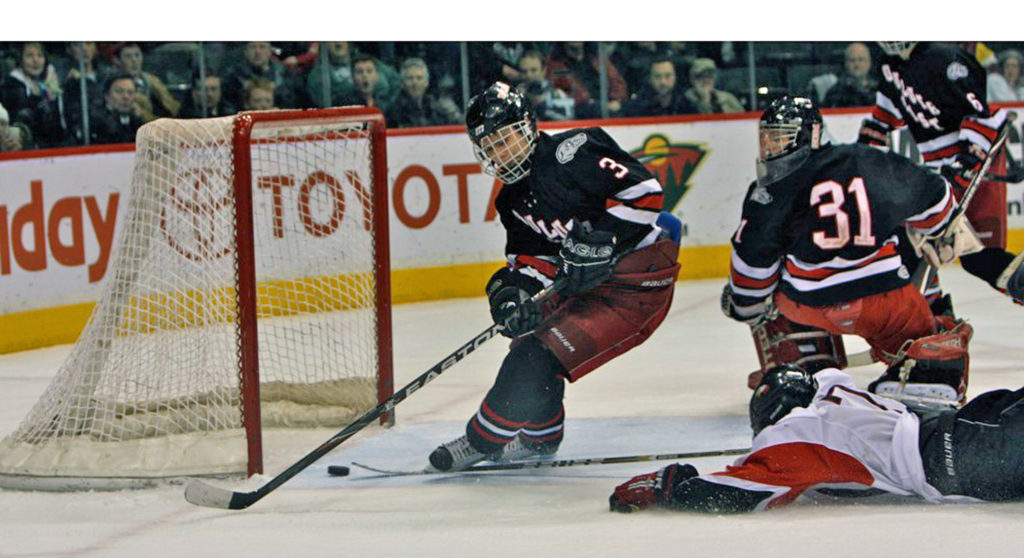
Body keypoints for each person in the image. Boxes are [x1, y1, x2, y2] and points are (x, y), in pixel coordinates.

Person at [428, 82, 681, 471]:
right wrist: (515, 295)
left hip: (634, 284)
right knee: (528, 340)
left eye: (505, 139)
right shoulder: (510, 200)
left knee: (537, 357)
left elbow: (646, 192)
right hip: (589, 285)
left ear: (528, 126)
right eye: (490, 146)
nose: (500, 153)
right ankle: (540, 439)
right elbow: (534, 259)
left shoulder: (573, 151)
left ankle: (482, 441)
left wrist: (603, 240)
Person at [722, 96, 973, 407]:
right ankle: (927, 372)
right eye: (769, 141)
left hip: (807, 306)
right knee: (925, 329)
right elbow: (937, 200)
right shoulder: (867, 160)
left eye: (782, 138)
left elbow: (750, 280)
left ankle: (804, 366)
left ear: (812, 135)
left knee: (761, 301)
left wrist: (744, 306)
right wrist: (938, 230)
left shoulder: (768, 191)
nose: (773, 150)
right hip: (886, 302)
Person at [609, 364, 1024, 514]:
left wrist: (672, 486)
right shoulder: (833, 388)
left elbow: (735, 493)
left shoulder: (799, 432)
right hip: (962, 433)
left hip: (958, 458)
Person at [857, 42, 1024, 307]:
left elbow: (984, 117)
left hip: (975, 166)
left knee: (972, 255)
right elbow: (882, 120)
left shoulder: (946, 59)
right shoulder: (891, 66)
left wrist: (966, 161)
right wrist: (859, 159)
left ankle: (934, 319)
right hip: (941, 172)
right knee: (927, 248)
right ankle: (935, 319)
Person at [1, 42, 65, 148]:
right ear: (20, 60)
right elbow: (25, 120)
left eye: (40, 55)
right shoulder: (12, 84)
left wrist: (53, 96)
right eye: (29, 55)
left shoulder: (50, 84)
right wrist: (37, 97)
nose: (35, 60)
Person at [307, 42, 401, 109]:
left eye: (369, 71)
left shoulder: (367, 61)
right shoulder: (320, 73)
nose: (337, 42)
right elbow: (324, 102)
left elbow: (396, 82)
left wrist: (385, 104)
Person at [546, 42, 628, 116]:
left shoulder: (596, 57)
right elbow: (564, 95)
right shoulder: (556, 63)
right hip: (579, 115)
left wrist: (616, 101)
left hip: (609, 111)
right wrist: (600, 107)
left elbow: (617, 82)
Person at [223, 42, 304, 110]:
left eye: (262, 47)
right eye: (253, 47)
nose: (257, 51)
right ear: (246, 52)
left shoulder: (285, 74)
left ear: (270, 52)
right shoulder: (233, 77)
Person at [385, 58, 461, 128]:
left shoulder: (436, 107)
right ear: (402, 82)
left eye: (419, 78)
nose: (415, 82)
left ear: (426, 82)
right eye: (410, 78)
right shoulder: (393, 112)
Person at [115, 43, 181, 121]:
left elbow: (171, 104)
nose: (134, 60)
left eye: (137, 55)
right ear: (118, 61)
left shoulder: (152, 80)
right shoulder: (116, 86)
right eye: (128, 56)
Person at [620, 57, 698, 118]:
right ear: (650, 78)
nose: (663, 82)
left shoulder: (686, 104)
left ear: (675, 77)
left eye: (668, 76)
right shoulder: (636, 107)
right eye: (657, 76)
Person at [515, 50, 574, 121]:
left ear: (544, 70)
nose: (528, 75)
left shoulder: (557, 94)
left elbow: (568, 121)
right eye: (524, 71)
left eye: (533, 70)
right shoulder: (516, 95)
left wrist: (544, 108)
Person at [89, 74, 144, 144]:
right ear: (106, 96)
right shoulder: (95, 123)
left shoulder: (139, 123)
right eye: (119, 92)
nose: (126, 97)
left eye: (130, 92)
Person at [821, 42, 877, 108]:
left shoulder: (880, 90)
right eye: (852, 60)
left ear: (869, 62)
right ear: (846, 64)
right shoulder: (835, 93)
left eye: (861, 59)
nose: (857, 64)